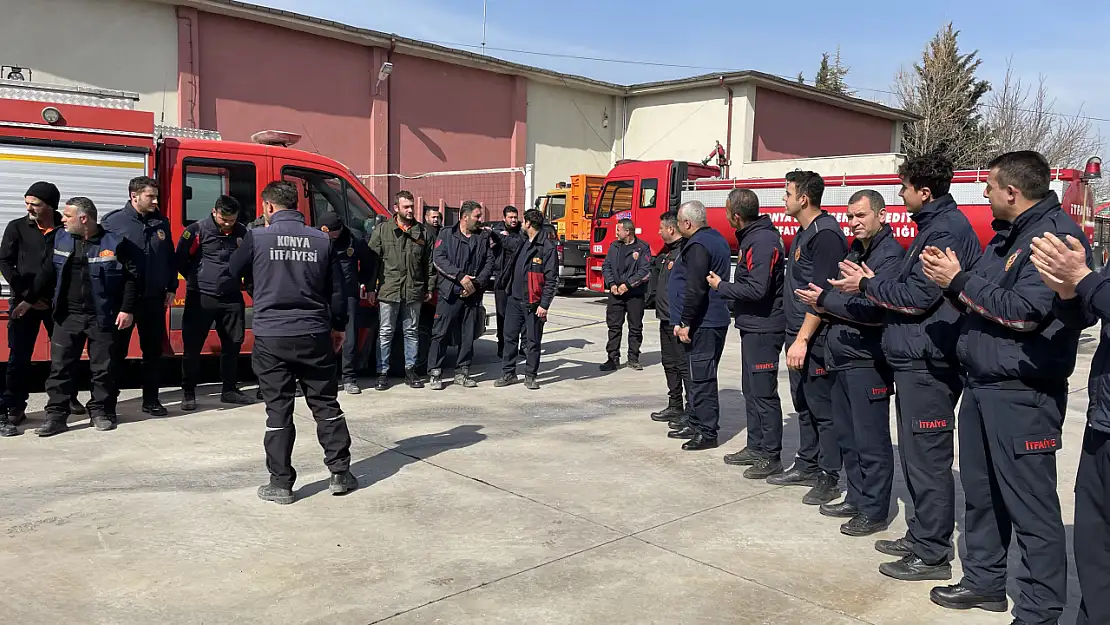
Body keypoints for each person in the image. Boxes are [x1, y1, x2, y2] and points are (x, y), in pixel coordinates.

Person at [920, 151, 1084, 623]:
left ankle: (1038, 610)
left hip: (1022, 393)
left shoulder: (1052, 239)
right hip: (983, 386)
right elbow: (986, 298)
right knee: (982, 492)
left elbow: (1023, 312)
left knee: (1030, 507)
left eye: (990, 187)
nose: (985, 195)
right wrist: (955, 282)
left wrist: (960, 280)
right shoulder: (1007, 238)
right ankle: (984, 581)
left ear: (1012, 192)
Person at [834, 154, 979, 581]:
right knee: (917, 459)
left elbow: (916, 297)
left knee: (927, 461)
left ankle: (932, 554)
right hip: (915, 360)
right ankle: (921, 537)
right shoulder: (933, 227)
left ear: (924, 191)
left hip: (929, 365)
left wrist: (864, 283)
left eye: (905, 188)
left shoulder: (945, 230)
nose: (902, 194)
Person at [228, 181, 355, 505]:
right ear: (296, 205)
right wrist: (337, 328)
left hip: (272, 337)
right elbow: (338, 291)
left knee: (278, 410)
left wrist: (257, 285)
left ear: (268, 207)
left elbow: (232, 272)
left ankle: (281, 484)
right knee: (325, 404)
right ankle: (340, 473)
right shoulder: (322, 240)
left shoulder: (256, 237)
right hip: (313, 334)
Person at [796, 190, 903, 537]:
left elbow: (876, 310)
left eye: (861, 216)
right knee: (849, 435)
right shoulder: (856, 251)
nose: (854, 223)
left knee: (870, 439)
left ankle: (874, 510)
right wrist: (832, 299)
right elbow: (844, 296)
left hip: (866, 361)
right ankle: (856, 497)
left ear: (882, 216)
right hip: (842, 358)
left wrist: (826, 301)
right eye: (851, 217)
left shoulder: (888, 256)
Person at [1031, 229, 1110, 625]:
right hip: (1104, 420)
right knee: (1094, 544)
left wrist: (1085, 278)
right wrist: (1067, 291)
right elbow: (1091, 315)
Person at [34, 197, 139, 437]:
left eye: (67, 216)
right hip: (68, 315)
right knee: (60, 368)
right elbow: (47, 272)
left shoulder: (115, 243)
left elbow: (131, 279)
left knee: (103, 369)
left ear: (83, 219)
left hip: (102, 316)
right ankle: (56, 416)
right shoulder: (59, 238)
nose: (62, 220)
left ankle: (101, 411)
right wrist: (29, 300)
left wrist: (126, 309)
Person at [772, 171, 847, 505]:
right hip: (795, 332)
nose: (783, 198)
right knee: (802, 402)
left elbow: (821, 294)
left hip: (813, 337)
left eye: (787, 193)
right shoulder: (805, 233)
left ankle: (829, 476)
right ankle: (806, 463)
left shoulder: (825, 235)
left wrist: (802, 339)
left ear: (803, 198)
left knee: (822, 407)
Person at [707, 188, 786, 478]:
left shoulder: (762, 241)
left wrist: (721, 287)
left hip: (765, 328)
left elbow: (757, 288)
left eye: (726, 210)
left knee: (763, 393)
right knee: (750, 390)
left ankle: (770, 455)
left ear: (736, 215)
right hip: (752, 326)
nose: (725, 215)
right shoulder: (752, 237)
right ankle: (756, 446)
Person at [0, 182, 71, 436]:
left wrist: (39, 297)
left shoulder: (65, 229)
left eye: (36, 204)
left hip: (56, 302)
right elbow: (6, 263)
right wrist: (28, 296)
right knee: (19, 357)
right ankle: (15, 406)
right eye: (27, 202)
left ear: (50, 206)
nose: (29, 207)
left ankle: (66, 399)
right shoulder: (17, 227)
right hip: (23, 303)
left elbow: (56, 266)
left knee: (64, 356)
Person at [102, 176, 176, 417]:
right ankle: (108, 406)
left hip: (154, 300)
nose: (155, 200)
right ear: (134, 196)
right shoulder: (114, 223)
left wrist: (171, 285)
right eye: (150, 196)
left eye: (156, 196)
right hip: (124, 302)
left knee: (153, 354)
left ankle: (151, 400)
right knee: (116, 354)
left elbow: (169, 256)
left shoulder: (160, 222)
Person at [175, 195, 253, 411]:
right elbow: (181, 260)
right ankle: (188, 391)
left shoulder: (242, 232)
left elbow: (248, 260)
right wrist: (197, 278)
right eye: (224, 219)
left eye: (232, 220)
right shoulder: (196, 230)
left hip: (231, 297)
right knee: (192, 345)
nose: (228, 224)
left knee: (233, 343)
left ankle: (229, 389)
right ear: (214, 212)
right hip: (201, 296)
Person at [665, 200, 730, 451]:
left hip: (704, 322)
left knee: (702, 379)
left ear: (688, 223)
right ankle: (694, 422)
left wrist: (685, 322)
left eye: (680, 223)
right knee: (696, 376)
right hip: (712, 319)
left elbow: (695, 288)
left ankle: (707, 432)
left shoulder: (698, 245)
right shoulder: (716, 238)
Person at [368, 190, 435, 391]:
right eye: (406, 207)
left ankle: (410, 371)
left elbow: (429, 264)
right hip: (389, 290)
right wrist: (371, 289)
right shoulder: (382, 231)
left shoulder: (422, 233)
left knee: (412, 332)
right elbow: (373, 262)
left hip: (413, 290)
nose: (410, 210)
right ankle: (382, 372)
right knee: (386, 332)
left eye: (412, 206)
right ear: (396, 208)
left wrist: (429, 287)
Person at [426, 200, 495, 390]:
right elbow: (438, 259)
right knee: (440, 334)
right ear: (465, 217)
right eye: (477, 216)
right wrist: (460, 277)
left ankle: (463, 372)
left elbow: (489, 263)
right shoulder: (447, 234)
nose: (480, 220)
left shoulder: (482, 237)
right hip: (450, 293)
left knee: (467, 336)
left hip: (472, 295)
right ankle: (435, 372)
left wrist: (476, 283)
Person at [493, 209, 557, 390]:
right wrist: (492, 233)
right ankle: (508, 373)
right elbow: (505, 242)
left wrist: (544, 304)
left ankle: (530, 375)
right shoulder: (521, 241)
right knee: (509, 337)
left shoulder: (546, 247)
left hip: (533, 303)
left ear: (528, 223)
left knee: (533, 341)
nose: (520, 223)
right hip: (514, 299)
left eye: (523, 221)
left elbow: (551, 279)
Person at [316, 211, 374, 395]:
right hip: (323, 294)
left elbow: (369, 262)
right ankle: (323, 377)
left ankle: (349, 377)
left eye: (331, 232)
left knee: (349, 338)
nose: (329, 236)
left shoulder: (353, 238)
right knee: (321, 336)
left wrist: (365, 283)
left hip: (348, 294)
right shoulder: (316, 238)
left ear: (339, 229)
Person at [648, 211, 689, 425]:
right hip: (665, 318)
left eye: (661, 228)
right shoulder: (668, 252)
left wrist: (682, 320)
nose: (659, 231)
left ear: (671, 229)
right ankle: (675, 405)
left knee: (683, 365)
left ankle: (690, 410)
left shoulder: (684, 251)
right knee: (669, 363)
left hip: (678, 322)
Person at [600, 218, 651, 371]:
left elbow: (645, 271)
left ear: (627, 232)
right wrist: (612, 284)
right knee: (614, 326)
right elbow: (606, 266)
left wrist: (627, 285)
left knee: (635, 327)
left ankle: (633, 358)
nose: (616, 233)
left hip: (635, 294)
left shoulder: (642, 248)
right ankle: (612, 358)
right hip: (616, 293)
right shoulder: (614, 246)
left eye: (618, 230)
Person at [491, 206, 525, 359]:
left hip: (518, 279)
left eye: (515, 217)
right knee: (502, 314)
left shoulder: (521, 231)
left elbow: (517, 244)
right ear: (504, 217)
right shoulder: (496, 230)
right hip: (501, 278)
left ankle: (523, 345)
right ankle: (502, 345)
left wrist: (503, 237)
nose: (513, 220)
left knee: (522, 313)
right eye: (510, 217)